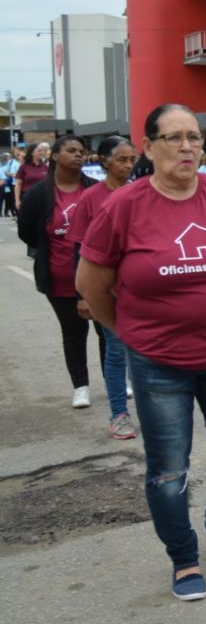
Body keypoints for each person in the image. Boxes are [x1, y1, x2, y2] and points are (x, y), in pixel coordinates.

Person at [76, 103, 206, 602]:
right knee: (168, 469)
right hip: (160, 365)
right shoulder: (125, 206)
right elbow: (89, 284)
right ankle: (183, 555)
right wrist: (131, 334)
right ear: (148, 146)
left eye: (195, 137)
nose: (187, 147)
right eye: (174, 137)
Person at [16, 135, 100, 408]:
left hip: (97, 279)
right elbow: (27, 232)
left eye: (81, 151)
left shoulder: (95, 190)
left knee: (108, 331)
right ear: (55, 156)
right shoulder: (39, 194)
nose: (78, 155)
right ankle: (81, 386)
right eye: (71, 151)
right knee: (74, 333)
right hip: (60, 278)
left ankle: (117, 379)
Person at [66, 136, 139, 439]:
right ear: (105, 161)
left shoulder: (141, 193)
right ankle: (118, 415)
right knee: (116, 351)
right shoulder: (91, 197)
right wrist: (83, 296)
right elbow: (79, 250)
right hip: (107, 290)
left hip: (140, 288)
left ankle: (152, 413)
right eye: (122, 159)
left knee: (145, 353)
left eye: (132, 159)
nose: (128, 165)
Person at [15, 141, 51, 212]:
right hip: (28, 197)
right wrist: (17, 200)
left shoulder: (45, 167)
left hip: (43, 197)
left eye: (42, 151)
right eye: (39, 151)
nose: (41, 153)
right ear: (32, 153)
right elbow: (18, 184)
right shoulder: (24, 167)